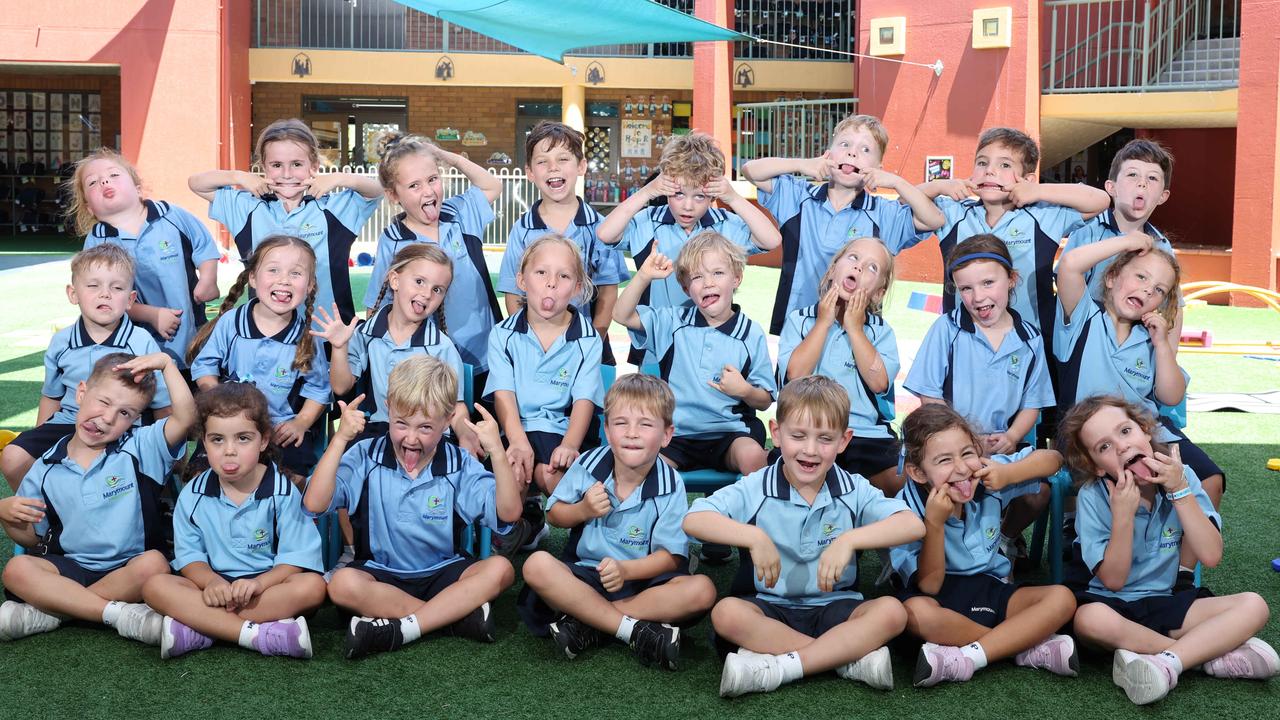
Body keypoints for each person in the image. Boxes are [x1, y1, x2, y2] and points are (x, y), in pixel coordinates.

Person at [684, 376, 926, 697]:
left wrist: (849, 540)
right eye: (798, 436)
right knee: (726, 614)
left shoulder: (853, 487)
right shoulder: (757, 485)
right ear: (776, 434)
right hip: (768, 607)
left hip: (837, 608)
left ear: (844, 441)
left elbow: (912, 524)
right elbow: (694, 519)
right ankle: (845, 660)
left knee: (893, 613)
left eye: (825, 439)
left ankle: (778, 667)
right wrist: (753, 537)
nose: (810, 450)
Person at [1058, 396, 1277, 705]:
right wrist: (1123, 516)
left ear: (1146, 432)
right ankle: (1198, 659)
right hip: (1110, 605)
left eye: (1125, 431)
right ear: (1095, 465)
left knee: (1255, 605)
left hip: (1165, 600)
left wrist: (1180, 491)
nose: (1120, 446)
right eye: (1104, 447)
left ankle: (1164, 662)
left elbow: (1211, 555)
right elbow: (1114, 581)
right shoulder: (1095, 497)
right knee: (1088, 620)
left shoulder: (1182, 477)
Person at [304, 356, 522, 659]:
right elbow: (314, 502)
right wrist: (340, 439)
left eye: (425, 428)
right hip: (382, 574)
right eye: (401, 424)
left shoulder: (458, 464)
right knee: (341, 584)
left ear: (448, 421)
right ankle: (451, 620)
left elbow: (509, 513)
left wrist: (497, 451)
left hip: (444, 573)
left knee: (501, 569)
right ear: (388, 408)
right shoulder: (366, 455)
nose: (411, 437)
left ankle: (402, 628)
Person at [1055, 231, 1224, 581]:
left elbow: (1171, 396)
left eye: (1159, 290)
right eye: (1141, 276)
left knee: (1209, 479)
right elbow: (1070, 264)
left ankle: (1180, 574)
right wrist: (1128, 242)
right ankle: (1094, 546)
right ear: (1113, 277)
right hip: (1094, 440)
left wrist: (1162, 343)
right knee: (1109, 483)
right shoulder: (1084, 317)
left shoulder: (1148, 339)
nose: (1148, 290)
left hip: (1145, 434)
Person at [518, 374, 716, 669]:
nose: (632, 433)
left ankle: (588, 623)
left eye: (645, 424)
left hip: (641, 585)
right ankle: (632, 631)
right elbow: (555, 514)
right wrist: (583, 510)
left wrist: (625, 570)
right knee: (535, 566)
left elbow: (671, 557)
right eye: (621, 423)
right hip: (583, 577)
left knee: (703, 591)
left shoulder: (671, 483)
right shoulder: (588, 464)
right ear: (608, 431)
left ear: (667, 435)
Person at [0, 351, 195, 646]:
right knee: (17, 570)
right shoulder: (45, 467)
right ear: (81, 392)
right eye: (103, 401)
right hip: (70, 567)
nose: (107, 418)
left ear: (134, 421)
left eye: (125, 413)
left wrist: (167, 364)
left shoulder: (142, 448)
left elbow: (186, 417)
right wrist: (7, 516)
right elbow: (31, 539)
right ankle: (116, 614)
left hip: (130, 568)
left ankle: (56, 612)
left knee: (155, 564)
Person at [891, 403, 1077, 686]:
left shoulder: (988, 476)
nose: (962, 468)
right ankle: (1021, 646)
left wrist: (1009, 474)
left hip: (991, 589)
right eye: (944, 461)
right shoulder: (902, 511)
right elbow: (930, 585)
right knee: (916, 615)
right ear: (917, 472)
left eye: (967, 453)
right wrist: (935, 525)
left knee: (1062, 599)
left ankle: (969, 655)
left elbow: (1053, 458)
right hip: (942, 599)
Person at [142, 382, 326, 659]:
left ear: (263, 440)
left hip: (266, 590)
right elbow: (190, 558)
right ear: (204, 441)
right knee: (154, 587)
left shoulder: (282, 490)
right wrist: (212, 582)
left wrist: (259, 584)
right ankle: (259, 634)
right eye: (217, 439)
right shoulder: (193, 494)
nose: (229, 450)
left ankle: (203, 626)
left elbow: (296, 560)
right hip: (213, 587)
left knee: (313, 588)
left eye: (243, 438)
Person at [904, 235, 1056, 562]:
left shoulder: (1029, 338)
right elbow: (928, 395)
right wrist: (964, 443)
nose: (978, 297)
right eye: (966, 289)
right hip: (950, 448)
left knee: (1039, 492)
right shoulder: (947, 329)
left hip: (1000, 448)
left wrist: (1013, 437)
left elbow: (1034, 403)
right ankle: (934, 552)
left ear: (1011, 279)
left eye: (988, 282)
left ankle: (1002, 540)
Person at [740, 113, 945, 333]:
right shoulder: (799, 197)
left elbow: (934, 219)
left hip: (854, 338)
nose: (852, 152)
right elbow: (751, 171)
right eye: (845, 144)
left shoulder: (883, 213)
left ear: (878, 167)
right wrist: (802, 164)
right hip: (794, 330)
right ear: (829, 153)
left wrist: (895, 182)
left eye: (865, 149)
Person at [912, 126, 1111, 345]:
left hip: (1030, 348)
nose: (990, 171)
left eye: (1004, 165)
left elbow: (1100, 200)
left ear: (1027, 178)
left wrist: (1038, 191)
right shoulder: (954, 214)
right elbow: (904, 203)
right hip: (962, 347)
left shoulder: (1042, 216)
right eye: (982, 162)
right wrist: (939, 185)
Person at [0, 245, 171, 490]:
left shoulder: (141, 341)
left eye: (117, 287)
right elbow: (51, 396)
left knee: (109, 476)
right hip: (69, 422)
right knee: (13, 457)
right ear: (73, 294)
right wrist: (41, 439)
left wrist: (169, 452)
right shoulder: (62, 342)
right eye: (93, 286)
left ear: (131, 299)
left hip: (123, 428)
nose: (105, 294)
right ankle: (47, 517)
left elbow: (162, 404)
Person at [614, 232, 775, 481]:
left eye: (717, 273)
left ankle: (761, 518)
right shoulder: (673, 322)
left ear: (737, 278)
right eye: (697, 277)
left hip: (730, 433)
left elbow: (764, 400)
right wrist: (644, 276)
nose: (708, 283)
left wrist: (744, 390)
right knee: (642, 469)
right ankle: (652, 519)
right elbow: (622, 315)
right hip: (676, 435)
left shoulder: (750, 333)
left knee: (755, 460)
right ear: (686, 288)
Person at [189, 118, 383, 323]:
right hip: (268, 337)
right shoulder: (247, 207)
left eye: (297, 164)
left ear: (314, 166)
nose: (287, 174)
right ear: (264, 166)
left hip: (328, 338)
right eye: (276, 165)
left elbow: (377, 190)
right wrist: (238, 177)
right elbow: (197, 184)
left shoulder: (334, 208)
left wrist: (339, 178)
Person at [485, 234, 604, 554]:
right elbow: (503, 395)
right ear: (522, 281)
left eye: (563, 276)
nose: (551, 284)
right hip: (516, 429)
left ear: (578, 288)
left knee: (558, 479)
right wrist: (519, 441)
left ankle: (584, 550)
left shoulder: (588, 339)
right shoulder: (503, 334)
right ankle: (519, 526)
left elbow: (583, 401)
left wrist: (570, 445)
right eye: (541, 273)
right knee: (514, 470)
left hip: (563, 432)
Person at [362, 132, 502, 395]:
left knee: (482, 430)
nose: (427, 190)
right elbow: (377, 306)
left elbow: (492, 186)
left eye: (432, 179)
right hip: (430, 362)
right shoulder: (393, 241)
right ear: (394, 195)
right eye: (414, 186)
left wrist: (447, 157)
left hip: (484, 353)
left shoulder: (459, 214)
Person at [187, 235, 332, 484]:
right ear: (253, 277)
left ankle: (277, 521)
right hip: (230, 426)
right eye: (273, 270)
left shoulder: (309, 336)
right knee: (201, 476)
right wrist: (220, 401)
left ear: (309, 285)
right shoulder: (232, 322)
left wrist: (301, 422)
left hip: (279, 431)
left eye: (296, 274)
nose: (283, 280)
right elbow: (204, 365)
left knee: (291, 480)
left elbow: (318, 390)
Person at [314, 243, 478, 455]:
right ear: (395, 280)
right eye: (419, 281)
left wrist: (466, 435)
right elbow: (341, 387)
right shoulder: (365, 335)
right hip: (378, 432)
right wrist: (339, 348)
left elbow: (456, 407)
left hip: (428, 438)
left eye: (437, 289)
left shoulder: (441, 346)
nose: (427, 294)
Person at [596, 132, 780, 314]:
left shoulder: (725, 224)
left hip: (710, 336)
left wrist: (733, 198)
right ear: (665, 188)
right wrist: (646, 192)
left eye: (700, 196)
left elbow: (771, 240)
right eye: (679, 194)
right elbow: (605, 233)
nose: (688, 206)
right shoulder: (648, 221)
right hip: (653, 336)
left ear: (713, 195)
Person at [72, 148, 220, 368]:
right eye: (93, 182)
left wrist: (208, 279)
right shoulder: (97, 242)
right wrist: (150, 314)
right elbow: (100, 296)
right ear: (89, 208)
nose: (104, 182)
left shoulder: (171, 215)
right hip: (133, 346)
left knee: (193, 387)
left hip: (190, 333)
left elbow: (203, 244)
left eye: (113, 175)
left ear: (138, 188)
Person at [777, 235, 901, 494]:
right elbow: (795, 375)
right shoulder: (800, 320)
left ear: (878, 292)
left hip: (866, 435)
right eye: (853, 258)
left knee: (900, 484)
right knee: (783, 480)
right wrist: (823, 323)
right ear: (833, 269)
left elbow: (879, 383)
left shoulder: (881, 331)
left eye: (872, 268)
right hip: (811, 433)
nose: (858, 267)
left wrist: (855, 330)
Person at [499, 120, 627, 364]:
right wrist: (531, 342)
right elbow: (514, 293)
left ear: (581, 166)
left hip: (589, 344)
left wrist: (593, 341)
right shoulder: (523, 229)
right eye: (542, 161)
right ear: (529, 172)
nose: (553, 168)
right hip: (538, 348)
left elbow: (609, 292)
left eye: (563, 159)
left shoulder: (600, 227)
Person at [1062, 139, 1176, 302]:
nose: (1142, 183)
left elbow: (1173, 306)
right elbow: (1065, 281)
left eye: (1152, 178)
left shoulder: (1162, 245)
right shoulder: (1087, 231)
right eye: (1132, 174)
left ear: (1163, 196)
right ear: (1111, 187)